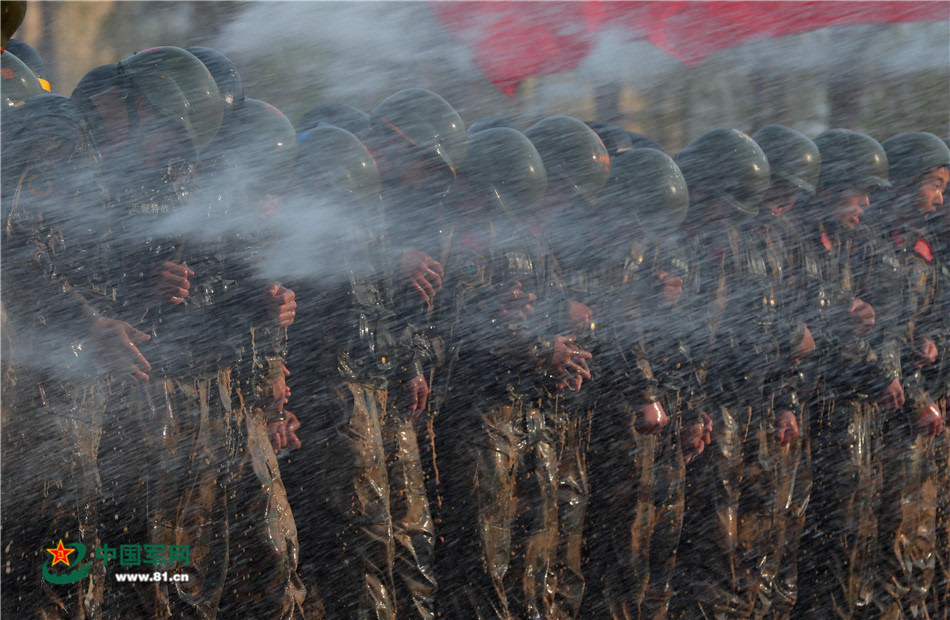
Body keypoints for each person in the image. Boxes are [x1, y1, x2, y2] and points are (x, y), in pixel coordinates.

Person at [669, 127, 805, 619]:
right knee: (712, 540)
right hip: (716, 405)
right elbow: (700, 337)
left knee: (756, 535)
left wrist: (784, 395)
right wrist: (695, 407)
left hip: (753, 400)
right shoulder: (696, 242)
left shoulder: (766, 241)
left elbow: (774, 317)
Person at [583, 147, 707, 620]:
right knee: (622, 545)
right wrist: (646, 393)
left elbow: (680, 338)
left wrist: (692, 407)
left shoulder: (645, 250)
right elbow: (616, 329)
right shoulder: (598, 249)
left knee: (659, 541)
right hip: (619, 415)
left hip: (658, 409)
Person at [793, 129, 904, 619]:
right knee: (812, 533)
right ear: (830, 185)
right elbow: (807, 311)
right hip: (809, 404)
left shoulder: (851, 242)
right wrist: (879, 371)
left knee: (849, 529)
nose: (864, 202)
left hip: (845, 403)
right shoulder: (801, 240)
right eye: (857, 189)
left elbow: (884, 318)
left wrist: (883, 368)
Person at [871, 131, 949, 618]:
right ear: (902, 183)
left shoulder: (923, 246)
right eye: (935, 185)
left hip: (925, 402)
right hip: (891, 408)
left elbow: (930, 324)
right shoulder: (875, 243)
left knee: (925, 534)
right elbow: (882, 330)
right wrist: (920, 393)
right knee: (893, 534)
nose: (940, 197)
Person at [750, 124, 822, 618]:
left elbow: (803, 316)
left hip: (772, 397)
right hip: (731, 400)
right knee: (739, 540)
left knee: (778, 535)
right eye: (780, 188)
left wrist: (786, 402)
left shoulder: (786, 237)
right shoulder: (727, 237)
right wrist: (785, 338)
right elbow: (730, 331)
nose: (787, 200)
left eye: (794, 192)